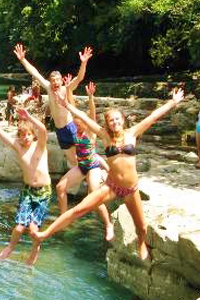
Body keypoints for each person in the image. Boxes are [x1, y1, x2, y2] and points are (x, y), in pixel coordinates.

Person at [32, 87, 186, 260]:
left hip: (131, 189)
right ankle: (44, 234)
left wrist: (173, 102)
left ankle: (141, 242)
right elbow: (83, 117)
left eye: (117, 119)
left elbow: (153, 117)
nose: (114, 122)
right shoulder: (105, 136)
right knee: (78, 210)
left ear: (123, 120)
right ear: (107, 124)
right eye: (111, 121)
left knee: (142, 227)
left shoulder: (132, 133)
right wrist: (66, 104)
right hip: (111, 187)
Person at [0, 94, 52, 266]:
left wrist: (29, 117)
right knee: (19, 227)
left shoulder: (40, 146)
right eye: (22, 135)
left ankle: (35, 250)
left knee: (33, 230)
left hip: (44, 192)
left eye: (28, 134)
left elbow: (43, 130)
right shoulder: (18, 146)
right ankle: (9, 248)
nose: (25, 138)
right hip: (28, 190)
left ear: (33, 135)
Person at [13, 43, 93, 167]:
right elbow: (35, 73)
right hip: (59, 130)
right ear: (50, 81)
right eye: (53, 80)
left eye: (57, 80)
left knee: (83, 156)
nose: (55, 82)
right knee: (73, 160)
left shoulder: (66, 89)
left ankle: (94, 174)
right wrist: (23, 59)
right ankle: (84, 178)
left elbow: (79, 78)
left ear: (61, 80)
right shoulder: (48, 88)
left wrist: (83, 63)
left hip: (70, 127)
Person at [55, 81, 115, 241]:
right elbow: (72, 106)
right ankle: (63, 219)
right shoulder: (75, 132)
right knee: (60, 187)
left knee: (94, 197)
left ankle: (108, 225)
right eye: (74, 122)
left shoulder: (90, 132)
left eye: (77, 122)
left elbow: (92, 115)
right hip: (82, 166)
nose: (74, 123)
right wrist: (67, 90)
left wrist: (90, 97)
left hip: (93, 167)